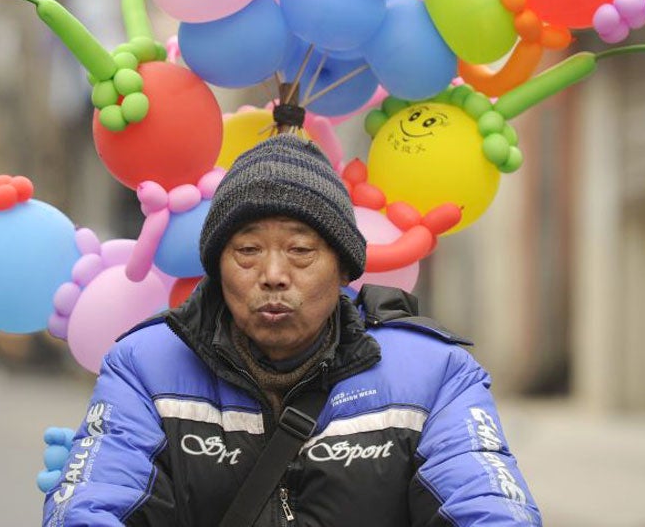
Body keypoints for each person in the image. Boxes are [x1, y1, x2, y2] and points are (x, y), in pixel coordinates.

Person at [42, 133, 541, 526]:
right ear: (217, 268)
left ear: (344, 269)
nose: (274, 274)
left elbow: (487, 504)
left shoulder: (434, 375)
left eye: (301, 251)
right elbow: (93, 505)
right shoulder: (144, 367)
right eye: (248, 251)